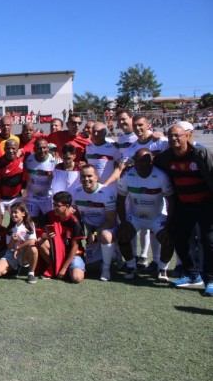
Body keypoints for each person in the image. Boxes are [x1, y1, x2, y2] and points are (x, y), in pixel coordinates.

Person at [153, 124, 213, 294]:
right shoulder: (165, 158)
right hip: (183, 205)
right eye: (171, 136)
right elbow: (152, 164)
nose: (174, 139)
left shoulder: (201, 154)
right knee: (181, 239)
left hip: (206, 204)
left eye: (178, 136)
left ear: (187, 135)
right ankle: (192, 274)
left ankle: (211, 278)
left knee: (209, 242)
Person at [117, 149, 174, 281]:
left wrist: (167, 225)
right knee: (122, 235)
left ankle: (162, 269)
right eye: (137, 161)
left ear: (151, 162)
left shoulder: (161, 176)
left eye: (143, 161)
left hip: (156, 217)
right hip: (135, 217)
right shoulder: (127, 175)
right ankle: (131, 266)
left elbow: (171, 202)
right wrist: (124, 223)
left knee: (168, 239)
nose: (139, 164)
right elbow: (120, 201)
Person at [72, 165, 117, 281]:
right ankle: (108, 256)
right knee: (91, 268)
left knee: (105, 236)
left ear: (96, 177)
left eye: (89, 176)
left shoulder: (107, 193)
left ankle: (107, 268)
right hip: (92, 232)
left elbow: (111, 221)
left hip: (107, 229)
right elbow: (75, 217)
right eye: (83, 176)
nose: (86, 179)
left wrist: (95, 233)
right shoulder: (76, 192)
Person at [36, 191, 87, 283]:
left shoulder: (74, 222)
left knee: (77, 278)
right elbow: (39, 231)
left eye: (57, 206)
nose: (54, 208)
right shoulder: (49, 215)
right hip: (56, 252)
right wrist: (45, 235)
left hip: (72, 254)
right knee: (41, 241)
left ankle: (61, 269)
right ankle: (54, 268)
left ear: (67, 206)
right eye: (54, 204)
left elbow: (75, 247)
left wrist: (64, 268)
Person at [0, 203, 39, 283]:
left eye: (16, 212)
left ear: (23, 213)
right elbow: (9, 247)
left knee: (33, 249)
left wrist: (19, 248)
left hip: (24, 253)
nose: (13, 215)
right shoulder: (10, 227)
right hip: (11, 254)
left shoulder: (29, 225)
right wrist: (13, 240)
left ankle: (31, 273)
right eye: (12, 213)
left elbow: (32, 241)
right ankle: (14, 269)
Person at [22, 138, 56, 225]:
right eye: (39, 148)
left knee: (49, 222)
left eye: (44, 148)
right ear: (34, 149)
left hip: (47, 197)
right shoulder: (28, 159)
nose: (42, 150)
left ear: (48, 148)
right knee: (30, 222)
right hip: (32, 196)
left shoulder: (54, 161)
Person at [85, 122, 122, 190]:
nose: (96, 134)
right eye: (94, 132)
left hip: (109, 187)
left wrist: (106, 184)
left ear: (104, 133)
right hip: (93, 187)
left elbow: (119, 168)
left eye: (99, 132)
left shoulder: (113, 148)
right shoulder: (88, 147)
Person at [0, 139, 24, 216]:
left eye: (13, 148)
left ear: (17, 149)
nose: (10, 151)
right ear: (4, 149)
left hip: (16, 197)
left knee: (16, 220)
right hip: (2, 199)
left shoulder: (22, 159)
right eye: (8, 148)